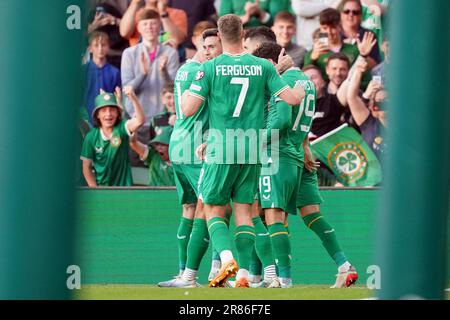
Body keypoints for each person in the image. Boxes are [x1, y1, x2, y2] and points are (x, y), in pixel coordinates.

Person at [182, 14, 304, 288]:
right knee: (244, 212)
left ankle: (226, 259)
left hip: (222, 147)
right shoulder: (263, 66)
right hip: (252, 148)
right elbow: (293, 99)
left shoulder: (210, 67)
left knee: (213, 208)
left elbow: (188, 109)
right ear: (242, 33)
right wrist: (290, 79)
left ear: (221, 37)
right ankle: (246, 275)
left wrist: (190, 86)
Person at [157, 28, 225, 288]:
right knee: (213, 207)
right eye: (209, 46)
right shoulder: (205, 71)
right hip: (197, 147)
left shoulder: (185, 70)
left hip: (178, 145)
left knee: (189, 209)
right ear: (203, 46)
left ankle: (182, 272)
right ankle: (214, 270)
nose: (212, 51)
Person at [253, 42, 315, 288]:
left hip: (276, 155)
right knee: (271, 216)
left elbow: (281, 120)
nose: (286, 56)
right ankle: (272, 276)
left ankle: (282, 279)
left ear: (269, 63)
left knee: (271, 217)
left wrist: (253, 142)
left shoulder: (280, 81)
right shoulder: (304, 82)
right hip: (293, 154)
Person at [121, 9, 179, 163]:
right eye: (145, 24)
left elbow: (174, 89)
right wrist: (143, 74)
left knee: (160, 167)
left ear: (159, 25)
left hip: (161, 121)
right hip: (137, 119)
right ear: (138, 27)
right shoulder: (129, 53)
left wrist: (163, 71)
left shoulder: (170, 53)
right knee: (136, 166)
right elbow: (128, 89)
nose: (149, 27)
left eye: (153, 23)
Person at [81, 86, 145, 187]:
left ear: (117, 113)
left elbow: (140, 121)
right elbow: (86, 167)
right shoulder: (91, 137)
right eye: (104, 110)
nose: (108, 114)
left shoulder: (122, 128)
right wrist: (95, 191)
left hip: (124, 190)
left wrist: (133, 97)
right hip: (101, 190)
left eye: (112, 110)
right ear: (97, 115)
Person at [303, 8, 359, 81]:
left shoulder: (353, 50)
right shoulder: (312, 53)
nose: (329, 32)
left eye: (333, 28)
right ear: (320, 28)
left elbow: (364, 79)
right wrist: (312, 59)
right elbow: (304, 79)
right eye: (325, 28)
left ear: (339, 27)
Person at [346, 57, 387, 159]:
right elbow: (351, 97)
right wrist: (359, 71)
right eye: (379, 102)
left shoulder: (405, 125)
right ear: (372, 108)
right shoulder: (369, 123)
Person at [83, 31, 122, 125]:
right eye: (96, 45)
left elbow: (118, 99)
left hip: (107, 120)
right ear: (90, 49)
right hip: (86, 119)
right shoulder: (83, 71)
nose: (100, 49)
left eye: (103, 45)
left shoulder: (115, 72)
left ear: (108, 47)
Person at [120, 0, 188, 48]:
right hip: (139, 61)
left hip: (168, 60)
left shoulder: (178, 13)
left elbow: (177, 40)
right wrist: (135, 2)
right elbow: (124, 33)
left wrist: (163, 13)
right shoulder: (135, 14)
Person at [340, 0, 381, 69]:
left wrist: (363, 53)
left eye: (355, 12)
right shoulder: (334, 34)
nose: (351, 14)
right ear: (341, 14)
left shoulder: (369, 35)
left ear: (361, 15)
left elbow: (376, 65)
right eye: (346, 11)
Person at [87, 2, 129, 68]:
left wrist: (113, 20)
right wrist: (95, 25)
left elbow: (130, 29)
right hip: (96, 56)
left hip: (119, 52)